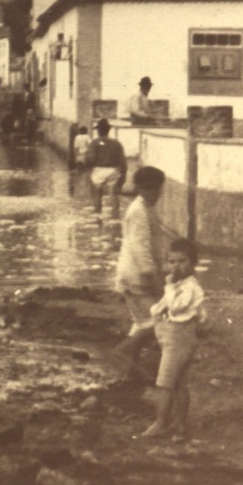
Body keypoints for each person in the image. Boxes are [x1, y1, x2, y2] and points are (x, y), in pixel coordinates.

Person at [137, 238, 207, 439]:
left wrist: (168, 287)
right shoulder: (179, 285)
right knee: (179, 383)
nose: (176, 266)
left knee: (165, 383)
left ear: (193, 263)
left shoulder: (190, 287)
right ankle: (180, 423)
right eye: (172, 261)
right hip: (172, 338)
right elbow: (164, 304)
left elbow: (176, 306)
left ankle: (161, 423)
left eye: (182, 261)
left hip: (179, 339)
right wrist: (156, 310)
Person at [108, 165, 167, 381]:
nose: (157, 194)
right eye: (152, 190)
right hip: (136, 277)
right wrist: (152, 276)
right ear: (142, 189)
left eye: (158, 189)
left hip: (135, 275)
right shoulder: (138, 211)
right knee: (155, 321)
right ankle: (123, 352)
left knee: (141, 322)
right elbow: (140, 247)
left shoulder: (146, 208)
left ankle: (130, 369)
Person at [82, 118, 128, 212]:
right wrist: (123, 174)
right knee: (114, 194)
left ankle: (98, 212)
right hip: (113, 171)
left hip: (99, 171)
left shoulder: (95, 143)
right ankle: (115, 214)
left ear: (98, 131)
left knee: (97, 193)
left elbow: (90, 159)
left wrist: (87, 166)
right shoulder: (116, 143)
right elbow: (122, 161)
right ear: (108, 130)